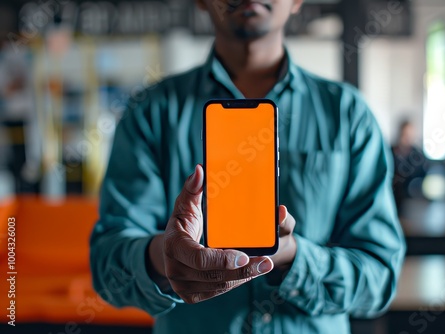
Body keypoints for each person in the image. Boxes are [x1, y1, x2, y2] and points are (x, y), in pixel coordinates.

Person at [90, 1, 406, 333]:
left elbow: (380, 277)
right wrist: (162, 260)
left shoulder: (348, 115)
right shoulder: (150, 112)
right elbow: (106, 266)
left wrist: (295, 257)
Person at [391, 120, 429, 212]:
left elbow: (423, 176)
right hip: (393, 197)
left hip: (413, 199)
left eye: (410, 135)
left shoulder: (418, 155)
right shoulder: (390, 152)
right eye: (405, 134)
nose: (407, 138)